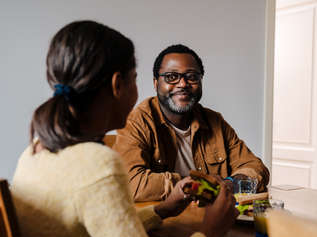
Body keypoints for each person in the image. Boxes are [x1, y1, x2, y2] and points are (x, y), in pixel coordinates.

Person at [10, 21, 238, 237]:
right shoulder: (98, 164)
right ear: (118, 84)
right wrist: (208, 234)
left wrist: (162, 210)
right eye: (134, 79)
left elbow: (102, 224)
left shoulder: (35, 151)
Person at [113, 44, 270, 203]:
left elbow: (256, 168)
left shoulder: (215, 122)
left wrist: (230, 184)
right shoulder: (136, 122)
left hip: (211, 217)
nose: (183, 84)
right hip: (165, 222)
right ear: (155, 83)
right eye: (171, 76)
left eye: (192, 76)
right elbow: (130, 183)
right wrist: (198, 186)